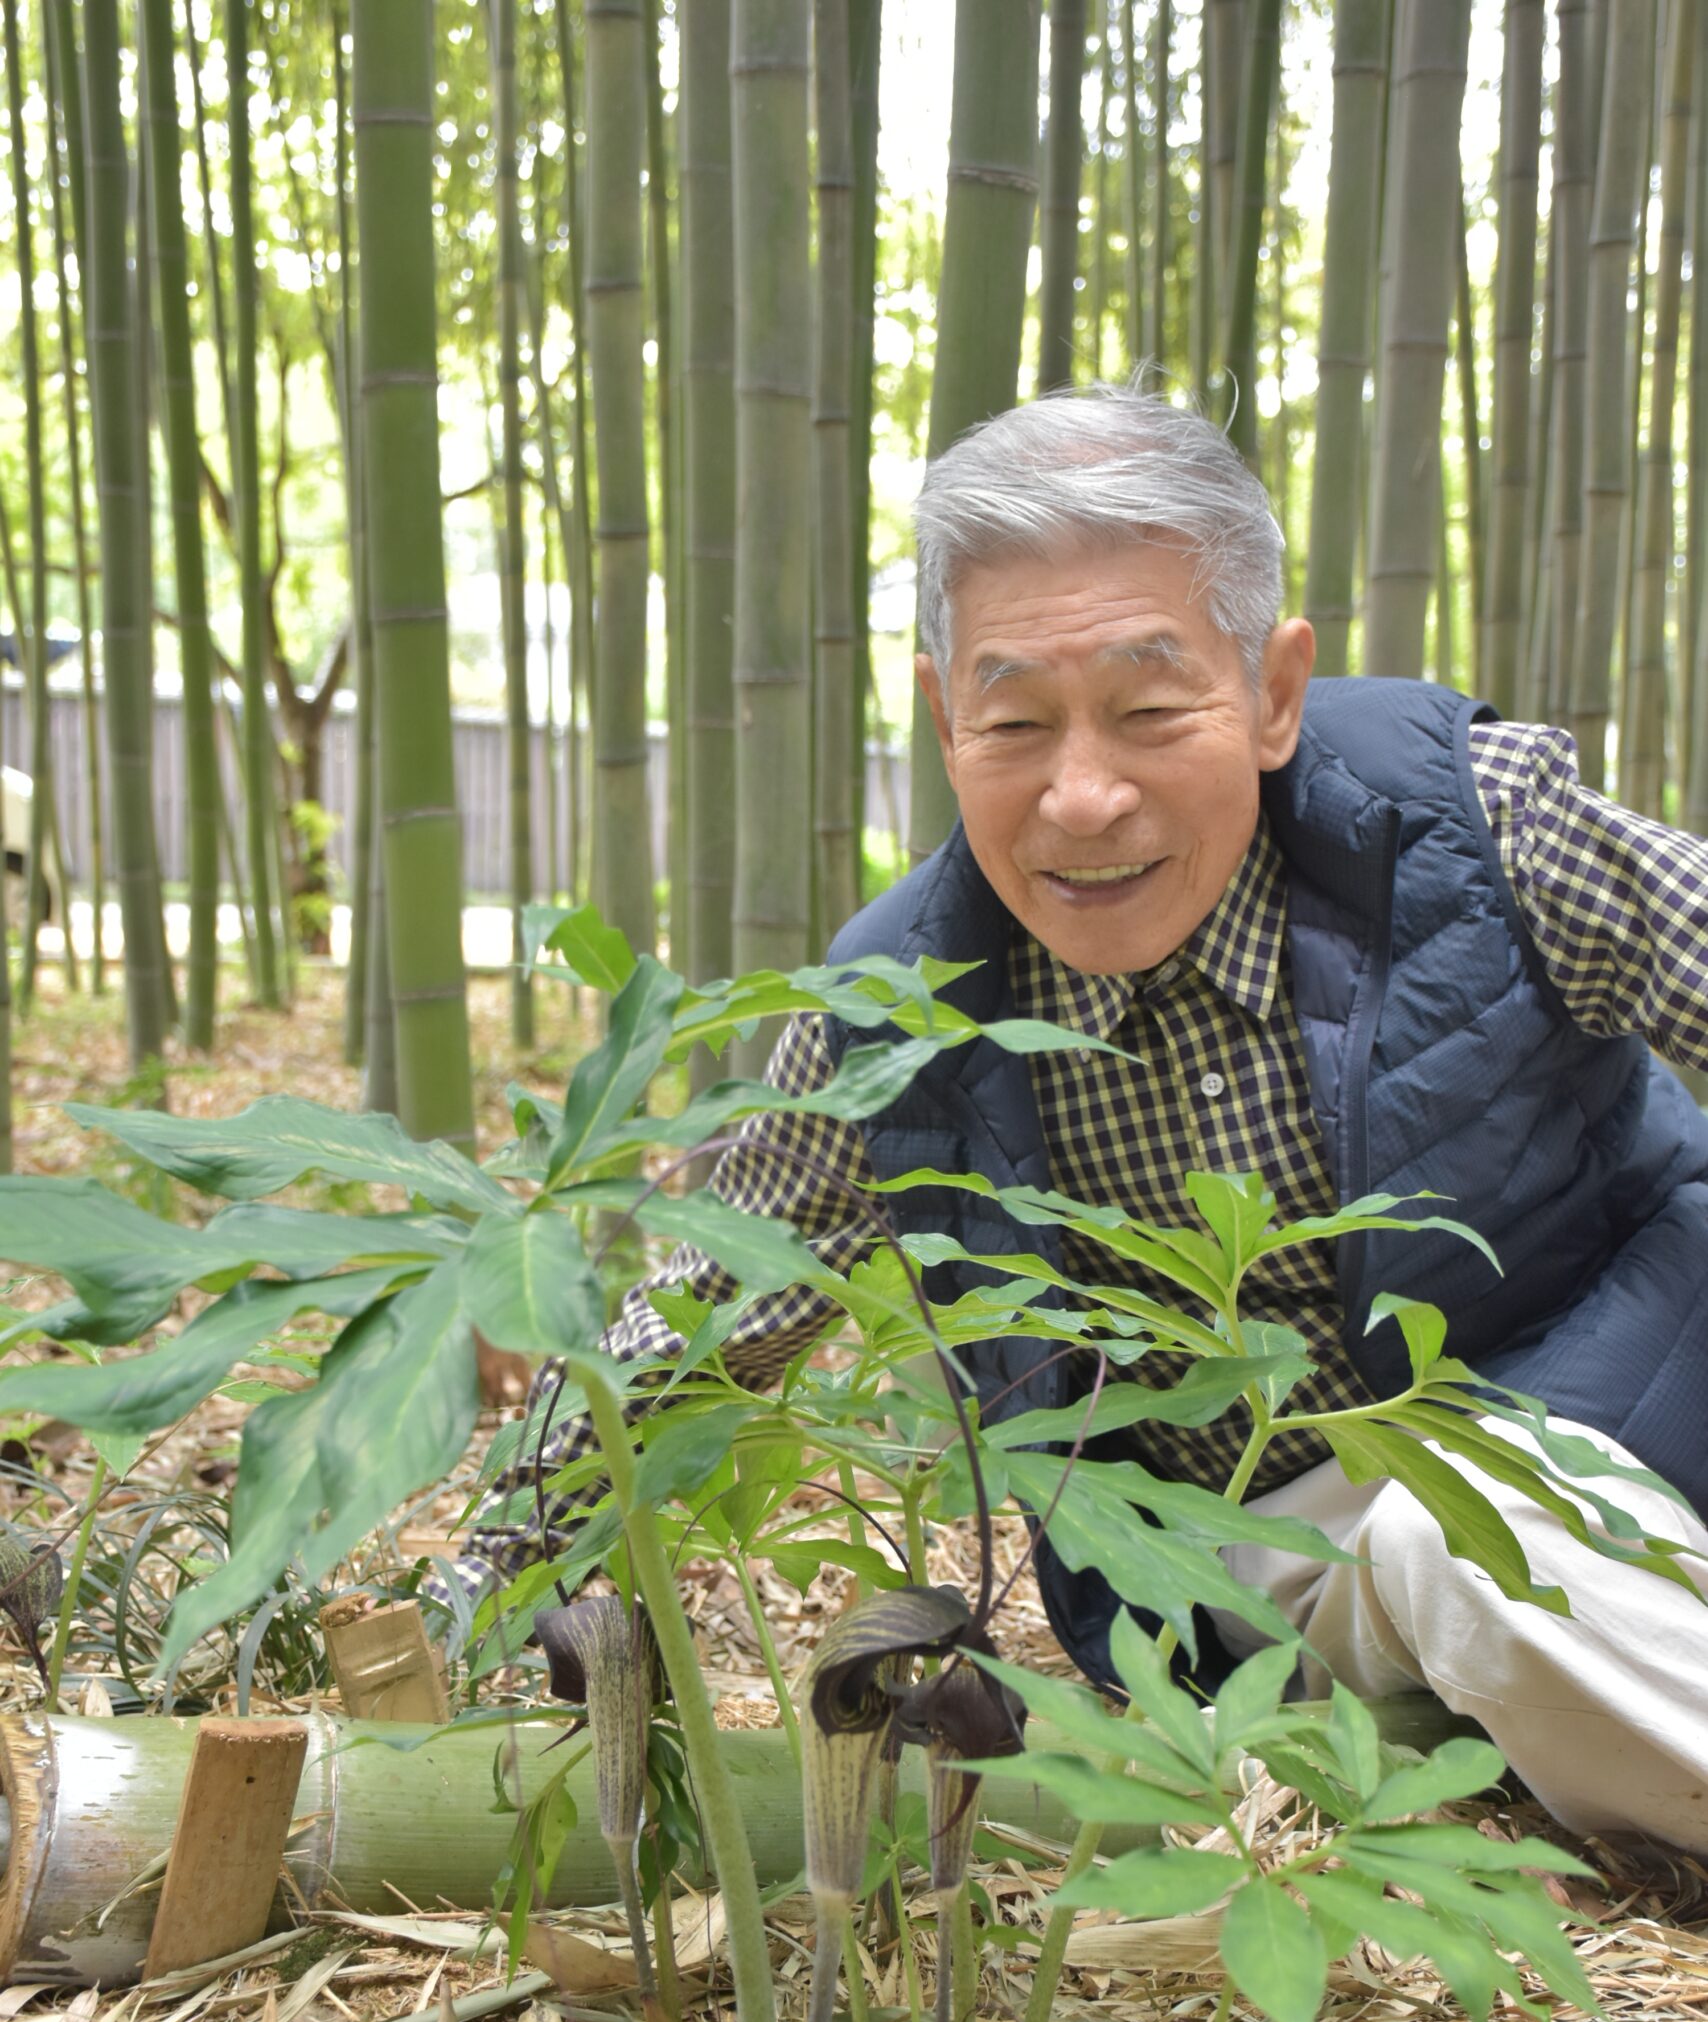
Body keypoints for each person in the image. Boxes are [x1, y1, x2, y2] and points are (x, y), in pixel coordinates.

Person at [443, 384, 1708, 1855]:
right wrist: (480, 1591)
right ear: (941, 716)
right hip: (1280, 1571)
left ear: (1276, 691)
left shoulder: (1475, 825)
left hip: (1637, 1393)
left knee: (1486, 1518)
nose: (1084, 796)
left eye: (1153, 709)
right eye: (1016, 721)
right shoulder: (894, 1016)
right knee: (1462, 1547)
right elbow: (698, 1317)